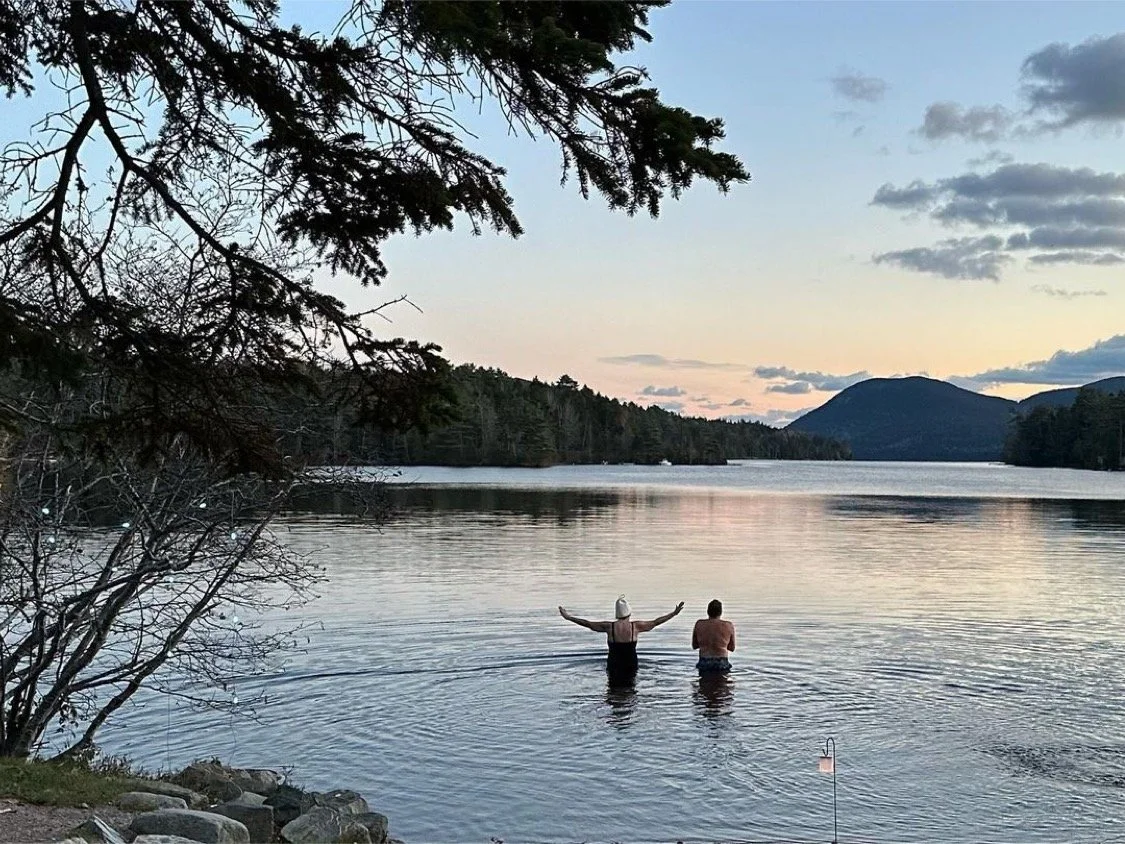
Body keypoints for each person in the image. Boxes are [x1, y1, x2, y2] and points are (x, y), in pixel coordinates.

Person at [558, 597, 685, 677]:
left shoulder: (609, 627)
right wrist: (673, 614)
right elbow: (656, 622)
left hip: (614, 664)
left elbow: (587, 624)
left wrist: (568, 617)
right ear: (629, 612)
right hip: (631, 664)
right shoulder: (636, 626)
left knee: (612, 693)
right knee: (630, 693)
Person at [692, 598, 735, 674]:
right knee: (722, 681)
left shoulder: (699, 624)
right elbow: (732, 648)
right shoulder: (728, 625)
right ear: (720, 612)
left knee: (704, 681)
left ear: (708, 611)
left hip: (704, 661)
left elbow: (694, 646)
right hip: (721, 662)